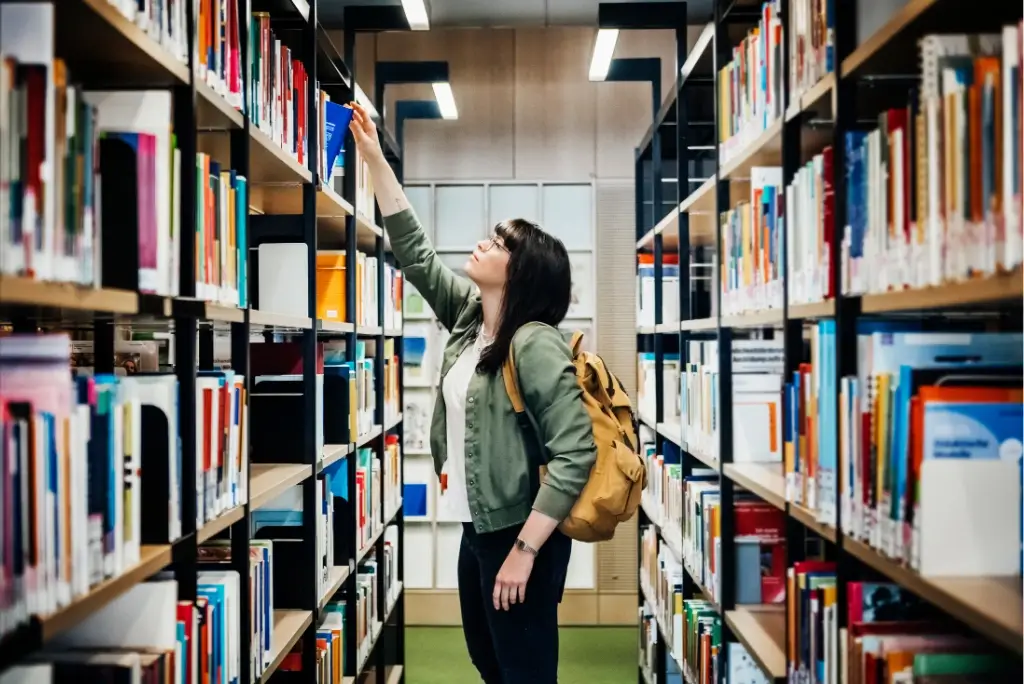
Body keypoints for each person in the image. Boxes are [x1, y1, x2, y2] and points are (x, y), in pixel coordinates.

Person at [348, 102, 598, 684]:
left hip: (519, 534)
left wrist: (526, 551)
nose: (483, 245)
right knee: (491, 664)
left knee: (524, 673)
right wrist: (374, 160)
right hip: (476, 527)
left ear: (523, 272)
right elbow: (415, 254)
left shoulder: (534, 342)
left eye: (499, 243)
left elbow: (576, 453)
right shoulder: (470, 321)